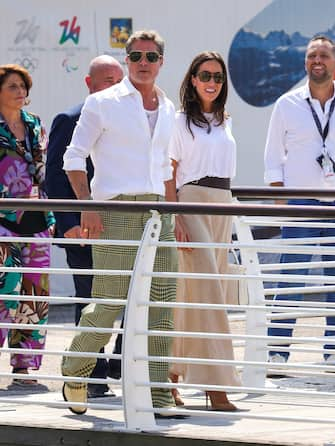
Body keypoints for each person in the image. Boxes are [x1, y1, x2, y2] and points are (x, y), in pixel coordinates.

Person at [61, 30, 180, 417]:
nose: (143, 62)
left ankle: (156, 392)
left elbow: (165, 167)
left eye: (151, 56)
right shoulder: (101, 103)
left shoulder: (168, 107)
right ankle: (75, 373)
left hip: (158, 212)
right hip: (115, 210)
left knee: (162, 304)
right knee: (109, 300)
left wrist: (173, 214)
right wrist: (88, 205)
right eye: (136, 56)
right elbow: (74, 158)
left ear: (162, 61)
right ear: (126, 60)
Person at [165, 51, 241, 411]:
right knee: (207, 294)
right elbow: (169, 171)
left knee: (195, 295)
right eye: (205, 75)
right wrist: (176, 216)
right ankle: (216, 386)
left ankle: (170, 376)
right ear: (192, 80)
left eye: (218, 77)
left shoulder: (226, 120)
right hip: (191, 203)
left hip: (222, 203)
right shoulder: (180, 122)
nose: (212, 82)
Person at [45, 55, 124, 398]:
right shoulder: (70, 118)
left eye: (119, 80)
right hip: (84, 230)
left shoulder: (132, 118)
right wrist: (69, 223)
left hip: (126, 227)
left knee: (134, 297)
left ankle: (123, 363)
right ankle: (90, 374)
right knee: (89, 298)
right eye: (107, 80)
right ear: (89, 84)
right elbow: (54, 177)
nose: (115, 86)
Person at [264, 35, 335, 365]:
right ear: (305, 63)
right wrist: (281, 202)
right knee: (290, 279)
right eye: (311, 56)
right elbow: (272, 157)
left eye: (323, 55)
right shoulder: (287, 104)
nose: (317, 60)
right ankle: (277, 352)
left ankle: (332, 351)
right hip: (300, 204)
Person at [0, 64, 55, 386]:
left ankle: (24, 368)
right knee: (4, 293)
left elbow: (43, 171)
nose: (21, 92)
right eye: (12, 86)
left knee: (34, 295)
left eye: (23, 86)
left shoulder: (35, 124)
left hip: (36, 220)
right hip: (2, 220)